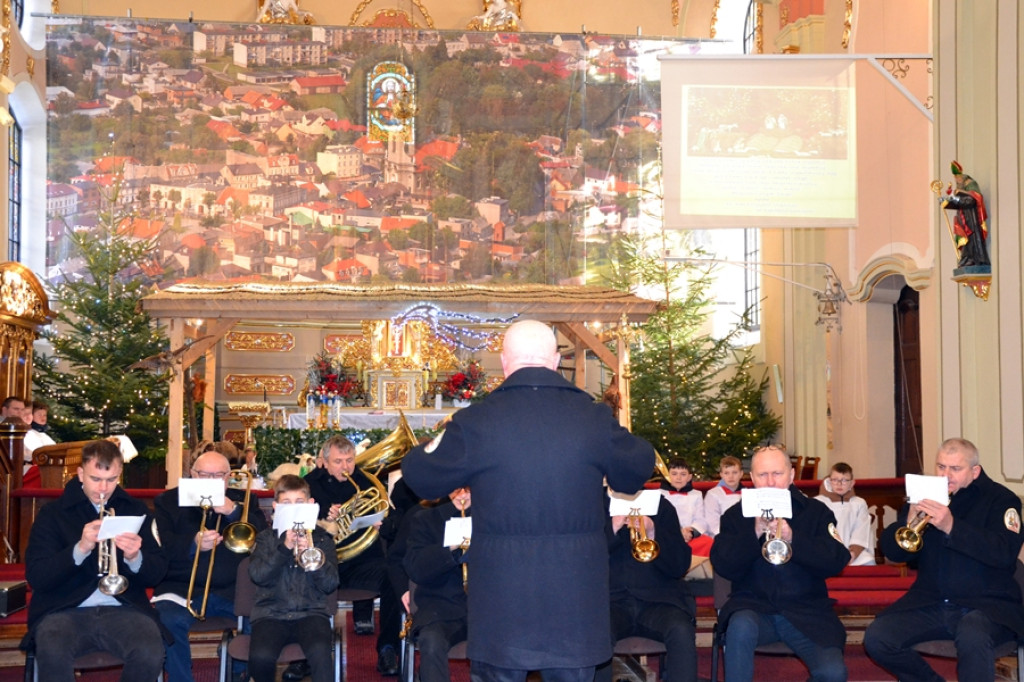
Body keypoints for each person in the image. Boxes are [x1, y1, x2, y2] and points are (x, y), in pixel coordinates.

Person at [401, 319, 656, 682]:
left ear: (504, 363)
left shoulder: (477, 421)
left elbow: (420, 474)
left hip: (501, 597)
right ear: (554, 361)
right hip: (575, 596)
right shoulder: (593, 417)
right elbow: (637, 467)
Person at [864, 437, 1024, 682]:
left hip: (986, 604)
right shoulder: (928, 496)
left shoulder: (1001, 500)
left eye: (955, 469)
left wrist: (952, 526)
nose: (946, 475)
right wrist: (908, 522)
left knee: (973, 635)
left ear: (975, 471)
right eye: (941, 467)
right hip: (931, 600)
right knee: (878, 637)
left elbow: (1003, 553)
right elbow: (894, 554)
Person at [21, 438, 168, 680]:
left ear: (120, 473)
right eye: (95, 479)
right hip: (64, 609)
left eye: (111, 480)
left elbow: (158, 572)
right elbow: (37, 576)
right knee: (53, 649)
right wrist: (80, 548)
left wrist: (135, 557)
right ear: (80, 474)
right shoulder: (53, 514)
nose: (103, 488)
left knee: (150, 650)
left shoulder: (137, 510)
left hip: (124, 608)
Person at [709, 444, 850, 682]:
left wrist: (794, 538)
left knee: (833, 673)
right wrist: (753, 533)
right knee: (740, 626)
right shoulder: (735, 515)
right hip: (753, 609)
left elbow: (836, 560)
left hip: (806, 611)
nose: (770, 482)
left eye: (777, 473)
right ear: (752, 477)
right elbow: (723, 564)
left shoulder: (816, 512)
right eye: (763, 475)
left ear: (792, 474)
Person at [152, 449, 268, 682]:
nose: (212, 481)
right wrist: (193, 544)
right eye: (205, 475)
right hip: (181, 588)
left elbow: (264, 539)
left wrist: (233, 512)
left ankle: (235, 667)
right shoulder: (167, 501)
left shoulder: (245, 500)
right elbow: (162, 548)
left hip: (232, 589)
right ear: (192, 475)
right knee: (168, 621)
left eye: (219, 476)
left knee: (266, 616)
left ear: (228, 477)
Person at [304, 435, 401, 676]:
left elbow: (392, 524)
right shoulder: (309, 484)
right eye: (338, 461)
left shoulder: (368, 483)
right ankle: (304, 653)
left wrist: (382, 524)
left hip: (362, 562)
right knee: (299, 575)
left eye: (349, 460)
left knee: (394, 575)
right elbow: (297, 527)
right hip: (325, 561)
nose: (345, 467)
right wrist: (325, 521)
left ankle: (388, 647)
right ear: (324, 462)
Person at [596, 494, 697, 682]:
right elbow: (582, 559)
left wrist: (653, 532)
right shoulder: (594, 504)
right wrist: (611, 529)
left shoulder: (661, 506)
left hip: (659, 601)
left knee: (681, 630)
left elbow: (680, 565)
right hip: (610, 601)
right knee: (596, 633)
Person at [248, 474, 339, 682]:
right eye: (286, 504)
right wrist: (284, 549)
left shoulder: (323, 539)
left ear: (310, 505)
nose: (294, 508)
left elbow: (330, 584)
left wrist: (313, 556)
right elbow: (258, 576)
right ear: (275, 507)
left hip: (311, 613)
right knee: (260, 658)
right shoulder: (264, 539)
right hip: (270, 614)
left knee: (321, 654)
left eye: (299, 503)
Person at [402, 487, 471, 682]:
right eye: (457, 489)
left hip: (488, 610)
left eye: (469, 488)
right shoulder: (427, 519)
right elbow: (416, 569)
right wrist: (449, 548)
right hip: (441, 608)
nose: (463, 495)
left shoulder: (493, 517)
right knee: (431, 641)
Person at [815, 462, 875, 566]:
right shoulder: (818, 502)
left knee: (868, 561)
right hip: (826, 552)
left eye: (844, 480)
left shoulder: (858, 503)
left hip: (852, 553)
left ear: (852, 483)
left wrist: (853, 553)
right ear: (829, 481)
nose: (839, 484)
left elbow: (861, 530)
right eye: (835, 480)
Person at [941, 160, 990, 268]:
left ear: (961, 176)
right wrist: (948, 201)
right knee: (965, 239)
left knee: (971, 238)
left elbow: (973, 199)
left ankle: (975, 258)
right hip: (963, 217)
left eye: (957, 178)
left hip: (971, 218)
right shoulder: (961, 186)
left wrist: (958, 199)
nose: (956, 181)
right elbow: (960, 200)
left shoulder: (970, 184)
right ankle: (966, 258)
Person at [703, 456, 744, 538]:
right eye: (726, 473)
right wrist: (727, 537)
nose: (731, 476)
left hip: (743, 536)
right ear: (721, 474)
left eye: (735, 472)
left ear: (741, 474)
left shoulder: (747, 494)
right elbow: (712, 522)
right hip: (721, 537)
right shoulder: (713, 494)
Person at [23, 400, 56, 474]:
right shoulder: (28, 433)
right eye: (39, 415)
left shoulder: (44, 435)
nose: (43, 417)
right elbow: (33, 454)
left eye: (44, 415)